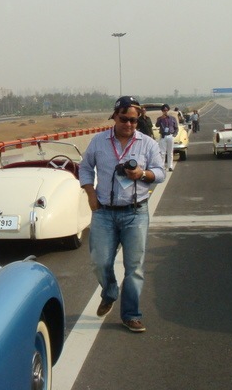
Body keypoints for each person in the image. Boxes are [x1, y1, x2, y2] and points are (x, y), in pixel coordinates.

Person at [79, 96, 165, 333]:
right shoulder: (98, 142)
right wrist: (90, 194)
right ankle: (109, 292)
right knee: (99, 261)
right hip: (104, 212)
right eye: (124, 119)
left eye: (134, 120)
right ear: (115, 116)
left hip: (135, 212)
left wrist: (142, 174)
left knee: (134, 267)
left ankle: (131, 315)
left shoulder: (147, 143)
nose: (129, 124)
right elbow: (85, 167)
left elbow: (160, 172)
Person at [155, 104, 179, 171]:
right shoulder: (160, 118)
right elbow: (157, 125)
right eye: (164, 110)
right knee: (162, 152)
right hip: (163, 136)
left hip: (170, 135)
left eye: (166, 110)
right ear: (162, 111)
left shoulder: (172, 118)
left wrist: (174, 134)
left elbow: (176, 128)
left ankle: (170, 166)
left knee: (170, 152)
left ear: (168, 110)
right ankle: (162, 166)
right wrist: (161, 119)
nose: (165, 112)